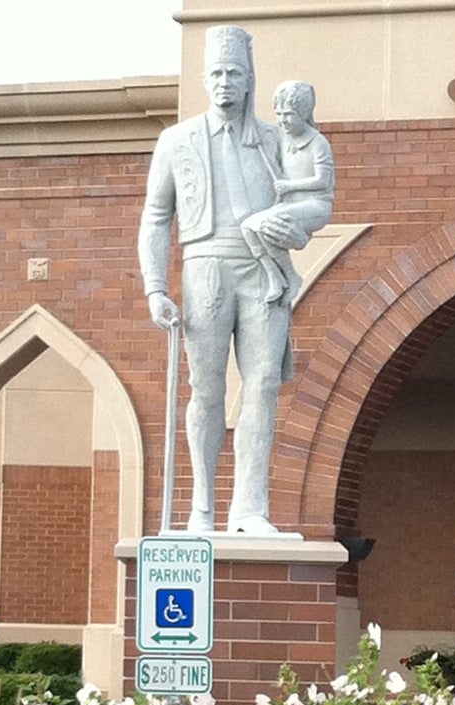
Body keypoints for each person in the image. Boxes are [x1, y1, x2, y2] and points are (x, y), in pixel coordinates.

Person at [139, 24, 301, 534]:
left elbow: (308, 203)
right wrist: (155, 288)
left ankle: (250, 507)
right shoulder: (176, 139)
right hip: (204, 266)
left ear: (249, 78)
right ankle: (203, 506)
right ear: (206, 80)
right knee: (205, 389)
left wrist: (291, 224)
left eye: (233, 73)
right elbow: (155, 216)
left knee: (263, 385)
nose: (225, 82)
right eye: (216, 73)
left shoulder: (277, 141)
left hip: (262, 268)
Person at [241, 81, 334, 304]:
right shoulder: (281, 138)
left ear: (303, 113)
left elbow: (323, 181)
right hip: (289, 205)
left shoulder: (317, 142)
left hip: (314, 205)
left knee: (268, 224)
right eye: (279, 114)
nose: (283, 120)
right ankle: (276, 274)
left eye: (289, 115)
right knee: (249, 227)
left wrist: (290, 186)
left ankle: (290, 276)